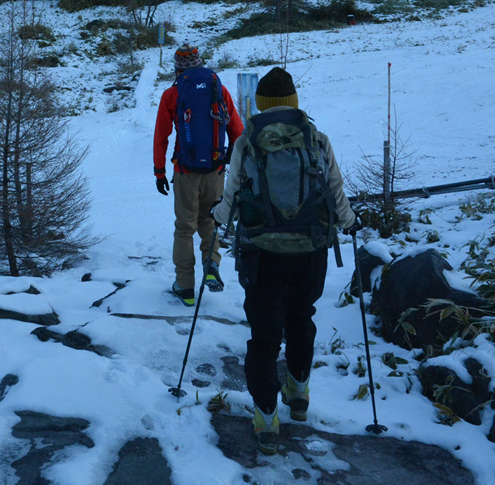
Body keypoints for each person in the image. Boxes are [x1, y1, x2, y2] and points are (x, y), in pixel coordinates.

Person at [211, 66, 357, 454]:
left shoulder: (248, 141)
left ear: (261, 104)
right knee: (301, 317)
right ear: (292, 102)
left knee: (264, 336)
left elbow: (231, 197)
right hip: (310, 250)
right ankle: (299, 390)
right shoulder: (316, 138)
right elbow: (335, 189)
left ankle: (265, 417)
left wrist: (218, 218)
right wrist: (349, 221)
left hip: (263, 254)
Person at [153, 44, 244, 307]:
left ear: (177, 68)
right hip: (216, 170)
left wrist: (159, 172)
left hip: (185, 171)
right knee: (210, 221)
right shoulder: (219, 89)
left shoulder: (172, 94)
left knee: (184, 227)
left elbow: (161, 137)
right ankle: (212, 264)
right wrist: (237, 166)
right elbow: (237, 131)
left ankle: (185, 286)